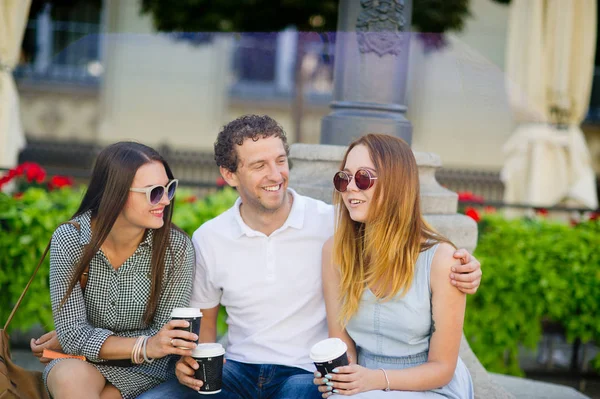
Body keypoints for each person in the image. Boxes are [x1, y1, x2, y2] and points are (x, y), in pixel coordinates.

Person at [140, 115, 481, 399]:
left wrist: (464, 267)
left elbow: (402, 230)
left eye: (280, 161)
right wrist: (192, 365)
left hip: (306, 373)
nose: (275, 175)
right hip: (238, 370)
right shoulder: (214, 238)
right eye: (259, 165)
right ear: (229, 175)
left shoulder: (332, 223)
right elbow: (207, 330)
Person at [32, 142, 197, 399]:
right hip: (82, 361)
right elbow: (74, 334)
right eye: (154, 192)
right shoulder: (71, 239)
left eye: (169, 188)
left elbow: (167, 336)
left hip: (147, 369)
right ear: (116, 192)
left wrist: (85, 337)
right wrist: (144, 344)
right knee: (70, 380)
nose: (165, 200)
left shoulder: (175, 249)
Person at [313, 134, 473, 398]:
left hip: (429, 385)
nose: (351, 188)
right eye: (344, 178)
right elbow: (342, 342)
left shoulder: (442, 260)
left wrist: (375, 380)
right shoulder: (334, 252)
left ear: (396, 184)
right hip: (365, 383)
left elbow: (443, 368)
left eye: (363, 178)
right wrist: (341, 376)